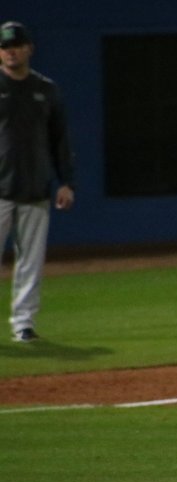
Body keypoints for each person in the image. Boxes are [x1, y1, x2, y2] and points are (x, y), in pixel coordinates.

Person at [0, 21, 75, 343]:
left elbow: (60, 140)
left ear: (30, 48)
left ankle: (24, 324)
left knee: (30, 263)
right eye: (5, 46)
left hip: (36, 189)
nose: (10, 50)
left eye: (16, 44)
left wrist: (66, 182)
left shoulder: (47, 90)